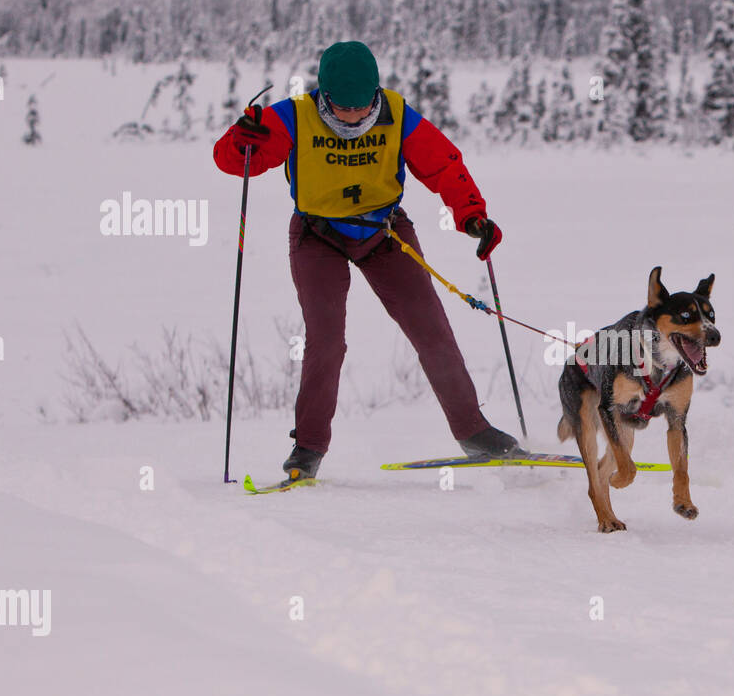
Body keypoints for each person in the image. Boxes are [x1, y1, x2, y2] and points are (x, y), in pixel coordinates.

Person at [213, 40, 520, 479]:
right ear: (325, 95)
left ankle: (474, 432)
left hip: (385, 231)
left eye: (363, 106)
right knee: (326, 341)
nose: (354, 116)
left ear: (376, 92)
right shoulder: (292, 115)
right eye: (342, 108)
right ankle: (308, 449)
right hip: (317, 236)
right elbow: (235, 162)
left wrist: (473, 216)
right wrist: (239, 141)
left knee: (432, 329)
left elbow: (444, 165)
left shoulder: (396, 114)